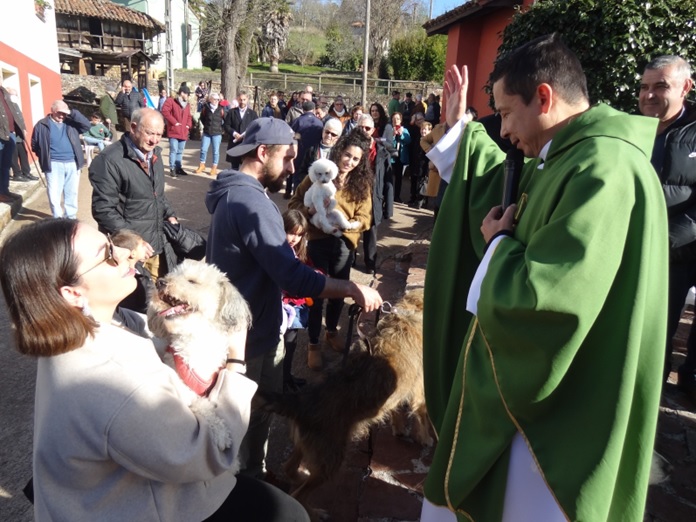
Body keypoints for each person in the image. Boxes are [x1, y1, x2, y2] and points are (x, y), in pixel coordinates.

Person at [420, 33, 668, 522]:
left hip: (560, 408)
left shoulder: (604, 167)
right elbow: (513, 190)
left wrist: (498, 248)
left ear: (545, 97)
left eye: (506, 113)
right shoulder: (571, 155)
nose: (503, 129)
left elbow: (551, 297)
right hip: (542, 393)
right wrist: (459, 132)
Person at [0, 218, 310, 522]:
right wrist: (235, 360)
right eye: (107, 254)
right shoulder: (113, 379)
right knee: (289, 514)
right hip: (137, 505)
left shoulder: (82, 331)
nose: (126, 252)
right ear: (72, 293)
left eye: (111, 242)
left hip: (105, 494)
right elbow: (210, 454)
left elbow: (153, 335)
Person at [205, 117, 382, 479]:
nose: (292, 167)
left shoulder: (242, 195)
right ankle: (246, 488)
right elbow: (292, 276)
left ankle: (255, 476)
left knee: (255, 422)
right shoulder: (249, 203)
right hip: (248, 340)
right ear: (262, 152)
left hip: (252, 328)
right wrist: (349, 288)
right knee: (244, 424)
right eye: (287, 158)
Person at [289, 129, 374, 369]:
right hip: (316, 240)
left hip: (344, 243)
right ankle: (314, 343)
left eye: (356, 159)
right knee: (316, 293)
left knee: (339, 292)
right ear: (339, 152)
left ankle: (332, 331)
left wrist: (348, 226)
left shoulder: (361, 183)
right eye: (347, 155)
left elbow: (366, 216)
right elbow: (294, 203)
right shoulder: (320, 173)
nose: (350, 162)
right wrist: (311, 212)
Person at [638, 55, 696, 396]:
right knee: (654, 330)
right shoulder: (631, 131)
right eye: (644, 87)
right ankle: (649, 389)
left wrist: (663, 238)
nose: (649, 95)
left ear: (685, 87)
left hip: (677, 246)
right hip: (654, 252)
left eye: (661, 86)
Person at [89, 108, 179, 280]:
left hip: (155, 244)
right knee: (132, 299)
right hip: (129, 252)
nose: (155, 140)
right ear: (133, 127)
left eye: (159, 135)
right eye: (150, 133)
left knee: (156, 296)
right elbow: (103, 209)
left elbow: (156, 194)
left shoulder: (155, 155)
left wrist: (170, 214)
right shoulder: (109, 160)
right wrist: (135, 243)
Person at [31, 100, 90, 218]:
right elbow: (35, 144)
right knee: (54, 193)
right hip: (53, 163)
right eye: (59, 113)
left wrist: (71, 112)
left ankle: (70, 217)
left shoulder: (71, 123)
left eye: (64, 113)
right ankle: (57, 218)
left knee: (71, 192)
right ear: (52, 111)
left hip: (72, 162)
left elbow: (86, 125)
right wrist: (45, 157)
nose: (62, 116)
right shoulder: (42, 125)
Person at [281, 209, 313, 392]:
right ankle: (281, 381)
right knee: (282, 346)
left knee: (291, 344)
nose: (294, 238)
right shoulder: (279, 252)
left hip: (297, 306)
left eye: (299, 235)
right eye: (291, 233)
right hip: (283, 306)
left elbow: (308, 268)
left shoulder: (297, 250)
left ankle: (286, 377)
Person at [356, 114, 393, 273]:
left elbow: (388, 180)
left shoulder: (382, 151)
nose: (364, 130)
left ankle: (370, 263)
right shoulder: (349, 148)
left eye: (367, 128)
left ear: (373, 130)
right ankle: (350, 260)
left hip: (373, 196)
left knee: (371, 231)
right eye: (361, 127)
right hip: (355, 194)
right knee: (353, 229)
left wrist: (388, 208)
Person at [111, 228, 154, 314]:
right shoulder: (135, 281)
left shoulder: (139, 269)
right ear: (133, 253)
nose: (146, 245)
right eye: (142, 245)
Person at [287, 100, 323, 198]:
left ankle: (296, 198)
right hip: (314, 154)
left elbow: (291, 136)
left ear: (303, 110)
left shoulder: (298, 121)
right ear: (314, 110)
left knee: (298, 178)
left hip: (300, 153)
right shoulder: (319, 123)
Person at [296, 118, 343, 188]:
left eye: (333, 134)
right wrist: (311, 180)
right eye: (327, 132)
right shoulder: (311, 150)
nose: (329, 135)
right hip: (312, 189)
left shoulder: (339, 153)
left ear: (338, 138)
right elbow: (301, 172)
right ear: (323, 132)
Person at [161, 85, 193, 178]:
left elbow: (189, 116)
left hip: (183, 131)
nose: (188, 96)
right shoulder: (171, 101)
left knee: (180, 151)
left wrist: (188, 125)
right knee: (174, 150)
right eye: (187, 94)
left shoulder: (187, 104)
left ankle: (178, 168)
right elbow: (165, 111)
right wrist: (174, 122)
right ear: (182, 93)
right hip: (174, 131)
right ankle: (172, 168)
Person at [224, 90, 258, 170]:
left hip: (247, 144)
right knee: (234, 167)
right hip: (234, 143)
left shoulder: (253, 114)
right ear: (237, 99)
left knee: (246, 167)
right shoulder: (232, 112)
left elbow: (255, 127)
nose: (242, 102)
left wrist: (246, 135)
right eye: (240, 100)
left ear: (247, 99)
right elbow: (226, 125)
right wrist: (234, 133)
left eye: (244, 100)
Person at [195, 92, 226, 177]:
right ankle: (202, 165)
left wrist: (221, 129)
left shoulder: (221, 109)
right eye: (214, 99)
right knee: (203, 149)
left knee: (216, 151)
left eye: (217, 99)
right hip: (207, 132)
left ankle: (214, 167)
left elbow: (225, 120)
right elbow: (202, 118)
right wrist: (206, 126)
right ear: (210, 99)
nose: (216, 101)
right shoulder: (206, 108)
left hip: (217, 133)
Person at [384, 111, 410, 203]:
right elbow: (386, 142)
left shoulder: (405, 130)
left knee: (399, 178)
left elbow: (408, 141)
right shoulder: (389, 130)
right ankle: (388, 196)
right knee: (389, 177)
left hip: (400, 157)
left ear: (401, 120)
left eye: (398, 119)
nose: (396, 121)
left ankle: (397, 196)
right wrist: (393, 135)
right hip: (391, 157)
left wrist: (401, 134)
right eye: (394, 119)